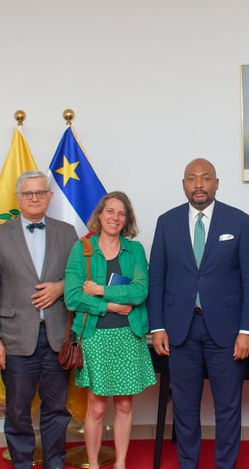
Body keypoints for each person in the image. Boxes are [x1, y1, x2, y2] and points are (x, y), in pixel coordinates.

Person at [148, 158, 249, 469]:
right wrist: (157, 326)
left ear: (216, 183)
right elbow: (156, 276)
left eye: (205, 178)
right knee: (184, 407)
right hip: (180, 329)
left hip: (226, 331)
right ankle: (188, 464)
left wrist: (247, 331)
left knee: (228, 407)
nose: (198, 184)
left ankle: (225, 465)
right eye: (191, 179)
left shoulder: (238, 221)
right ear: (183, 184)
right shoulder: (166, 222)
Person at [0, 170, 77, 469]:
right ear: (18, 198)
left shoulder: (67, 232)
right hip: (14, 338)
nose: (34, 198)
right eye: (28, 193)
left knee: (56, 410)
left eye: (40, 193)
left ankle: (54, 464)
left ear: (49, 196)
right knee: (18, 411)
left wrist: (60, 287)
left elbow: (78, 279)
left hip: (57, 336)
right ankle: (21, 463)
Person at [64, 192, 155, 469]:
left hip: (128, 336)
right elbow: (72, 297)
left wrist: (101, 290)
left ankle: (121, 463)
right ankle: (93, 463)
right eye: (110, 211)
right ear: (100, 215)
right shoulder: (82, 249)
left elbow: (140, 291)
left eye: (122, 213)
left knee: (125, 406)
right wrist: (113, 306)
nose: (115, 217)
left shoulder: (135, 250)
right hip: (94, 336)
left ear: (127, 219)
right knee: (97, 407)